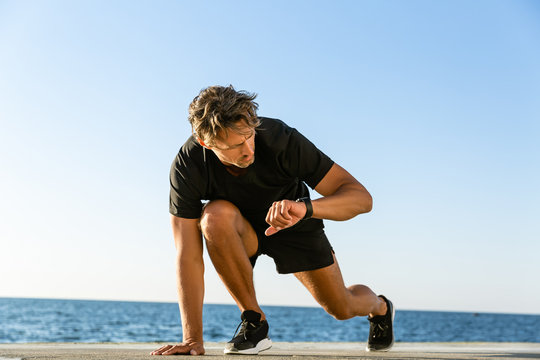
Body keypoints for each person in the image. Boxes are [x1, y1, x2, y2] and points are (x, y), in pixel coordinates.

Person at [151, 85, 394, 356]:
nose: (247, 150)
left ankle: (380, 307)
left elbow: (361, 199)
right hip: (240, 231)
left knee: (341, 308)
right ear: (207, 143)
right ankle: (254, 322)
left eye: (249, 137)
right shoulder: (189, 165)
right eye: (234, 145)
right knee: (213, 216)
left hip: (294, 221)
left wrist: (306, 208)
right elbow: (188, 256)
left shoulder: (280, 138)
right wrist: (192, 338)